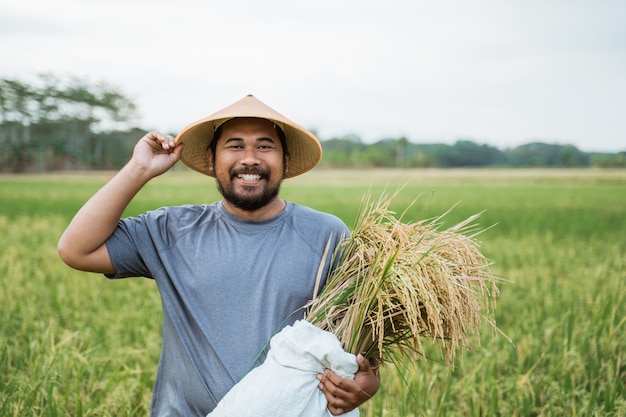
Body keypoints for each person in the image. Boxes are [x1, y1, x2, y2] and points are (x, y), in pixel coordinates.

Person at [58, 94, 380, 416]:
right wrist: (139, 169)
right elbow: (76, 250)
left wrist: (366, 384)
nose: (250, 158)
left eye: (265, 146)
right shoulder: (172, 230)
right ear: (212, 159)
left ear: (287, 160)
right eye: (235, 146)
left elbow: (362, 334)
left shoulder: (327, 235)